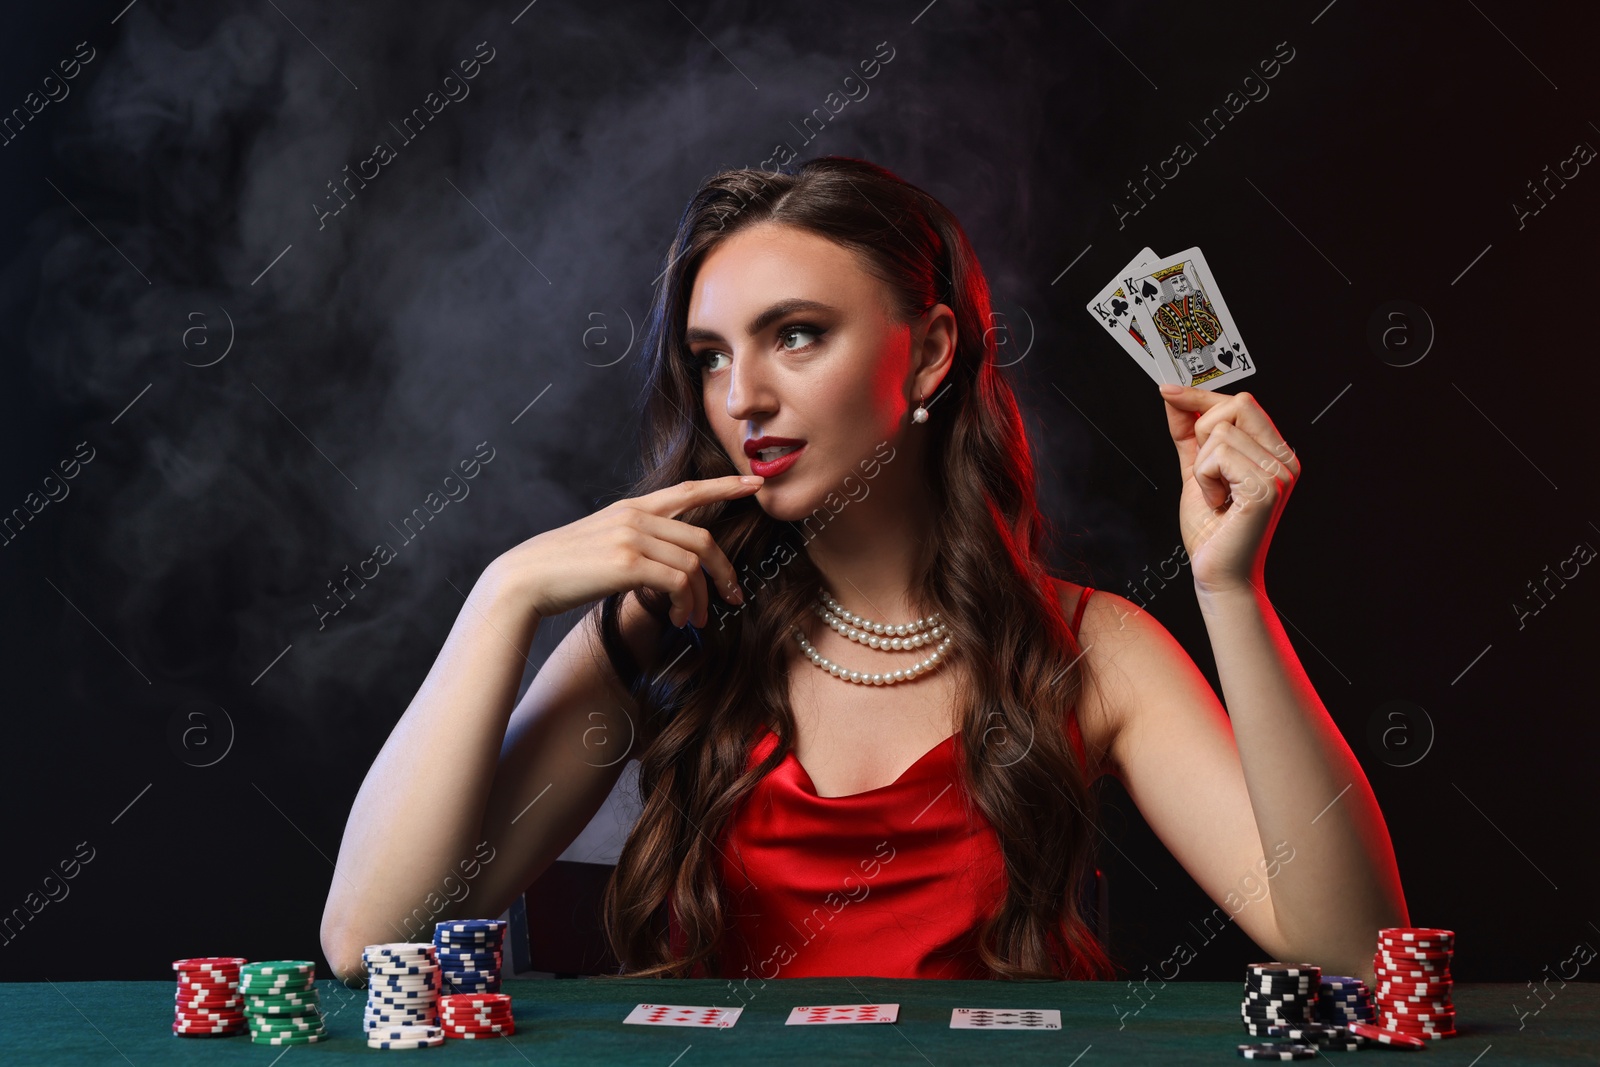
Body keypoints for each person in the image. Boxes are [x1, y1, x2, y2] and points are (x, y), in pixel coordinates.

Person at [320, 156, 1406, 988]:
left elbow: (1354, 952)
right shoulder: (668, 627)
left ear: (930, 352)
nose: (739, 395)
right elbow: (368, 942)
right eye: (708, 354)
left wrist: (1230, 589)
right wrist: (499, 596)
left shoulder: (1091, 645)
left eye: (796, 335)